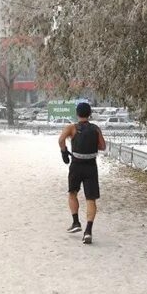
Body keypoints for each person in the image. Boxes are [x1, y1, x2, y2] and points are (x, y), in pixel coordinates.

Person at [58, 102, 106, 244]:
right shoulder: (95, 129)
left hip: (77, 165)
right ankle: (88, 231)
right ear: (89, 114)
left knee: (72, 193)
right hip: (91, 166)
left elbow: (61, 140)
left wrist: (64, 152)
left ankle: (75, 222)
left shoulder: (72, 128)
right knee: (91, 198)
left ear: (77, 114)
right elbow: (103, 146)